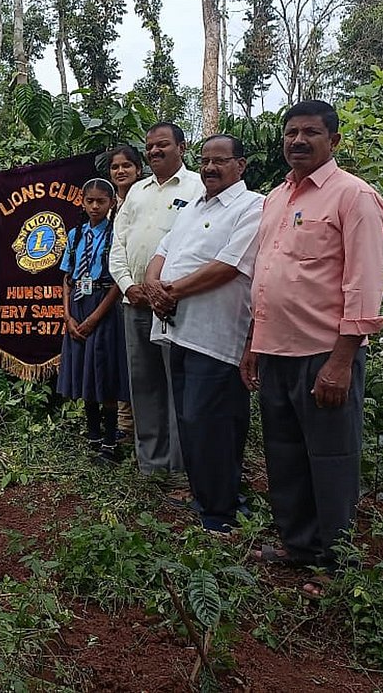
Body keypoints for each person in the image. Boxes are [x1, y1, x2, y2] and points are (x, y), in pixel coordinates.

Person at [240, 100, 383, 593]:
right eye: (290, 133)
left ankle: (333, 561)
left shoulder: (354, 197)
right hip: (275, 351)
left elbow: (363, 284)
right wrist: (252, 345)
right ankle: (297, 543)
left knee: (330, 457)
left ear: (334, 141)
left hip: (324, 355)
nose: (298, 141)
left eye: (310, 133)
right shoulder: (274, 199)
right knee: (283, 455)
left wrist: (342, 360)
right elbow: (265, 278)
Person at [145, 135, 265, 534]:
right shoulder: (194, 205)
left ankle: (221, 512)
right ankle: (205, 494)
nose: (210, 168)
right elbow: (162, 253)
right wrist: (152, 285)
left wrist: (170, 291)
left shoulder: (253, 206)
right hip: (177, 329)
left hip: (217, 335)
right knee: (190, 419)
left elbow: (228, 266)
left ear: (240, 165)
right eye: (205, 161)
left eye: (220, 161)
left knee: (213, 421)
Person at [108, 122, 203, 478]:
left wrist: (164, 291)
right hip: (135, 303)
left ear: (182, 145)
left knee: (176, 385)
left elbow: (200, 246)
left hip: (174, 303)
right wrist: (129, 286)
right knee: (144, 384)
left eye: (163, 144)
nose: (155, 151)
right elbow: (118, 245)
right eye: (149, 146)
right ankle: (152, 464)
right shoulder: (136, 192)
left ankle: (181, 467)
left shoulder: (198, 187)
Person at [57, 178, 126, 464]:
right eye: (90, 201)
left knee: (104, 371)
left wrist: (95, 317)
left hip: (103, 305)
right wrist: (67, 316)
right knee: (84, 369)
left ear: (112, 204)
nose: (95, 206)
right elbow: (66, 278)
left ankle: (111, 442)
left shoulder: (116, 235)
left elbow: (118, 282)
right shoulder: (74, 236)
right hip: (78, 305)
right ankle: (94, 435)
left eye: (101, 201)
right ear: (82, 202)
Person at [107, 144, 145, 440]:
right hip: (107, 292)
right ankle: (122, 423)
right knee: (120, 357)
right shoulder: (106, 204)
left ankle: (142, 425)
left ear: (138, 169)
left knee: (140, 360)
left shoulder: (146, 199)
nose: (121, 171)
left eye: (126, 166)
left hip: (137, 291)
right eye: (115, 167)